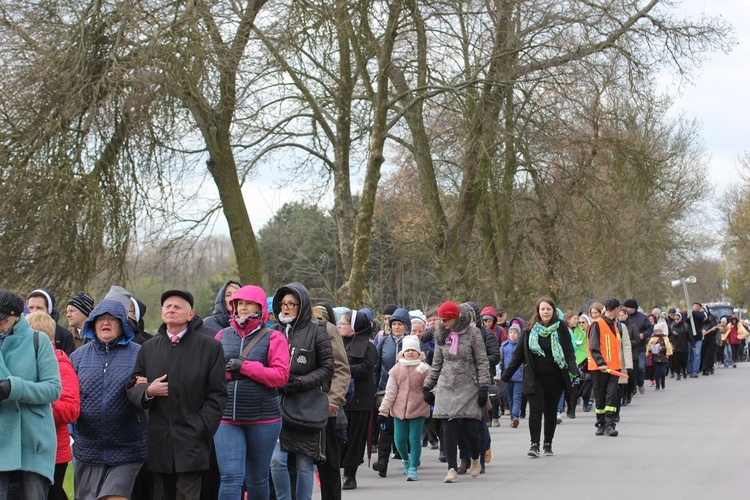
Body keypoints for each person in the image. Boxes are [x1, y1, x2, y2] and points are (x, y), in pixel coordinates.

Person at [127, 290, 228, 500]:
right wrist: (147, 391)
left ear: (190, 315)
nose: (171, 310)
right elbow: (133, 385)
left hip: (192, 440)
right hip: (159, 441)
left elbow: (217, 395)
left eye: (178, 307)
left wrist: (199, 428)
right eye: (167, 306)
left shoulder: (210, 347)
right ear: (162, 313)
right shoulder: (148, 348)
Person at [213, 285, 289, 500]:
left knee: (257, 478)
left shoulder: (274, 338)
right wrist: (230, 373)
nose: (243, 308)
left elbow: (281, 376)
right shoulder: (221, 335)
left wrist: (245, 368)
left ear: (260, 306)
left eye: (248, 303)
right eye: (239, 304)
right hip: (226, 418)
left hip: (264, 419)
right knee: (230, 477)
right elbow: (211, 374)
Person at [70, 299, 149, 500]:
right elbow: (69, 395)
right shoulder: (78, 357)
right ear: (92, 324)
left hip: (128, 448)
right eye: (101, 319)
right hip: (88, 448)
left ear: (122, 324)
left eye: (112, 319)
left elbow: (147, 390)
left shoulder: (139, 354)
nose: (106, 323)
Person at [269, 282, 334, 500]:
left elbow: (327, 368)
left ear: (302, 305)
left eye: (291, 304)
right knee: (276, 461)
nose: (285, 308)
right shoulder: (273, 331)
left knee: (304, 462)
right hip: (277, 406)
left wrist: (300, 382)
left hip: (306, 407)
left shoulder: (317, 332)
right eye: (282, 304)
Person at [0, 290, 62, 498]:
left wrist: (13, 388)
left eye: (3, 319)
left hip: (33, 439)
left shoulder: (39, 341)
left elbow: (53, 389)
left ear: (17, 316)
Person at [501, 296, 579, 456]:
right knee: (535, 411)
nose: (545, 312)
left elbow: (569, 351)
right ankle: (534, 444)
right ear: (538, 311)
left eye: (548, 309)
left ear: (553, 311)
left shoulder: (561, 327)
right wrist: (506, 375)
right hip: (535, 377)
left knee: (550, 412)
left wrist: (573, 370)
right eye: (542, 309)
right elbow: (518, 355)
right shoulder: (530, 330)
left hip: (555, 377)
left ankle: (548, 443)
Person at [423, 302, 491, 483]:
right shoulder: (441, 333)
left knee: (471, 430)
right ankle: (451, 469)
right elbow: (437, 363)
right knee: (448, 428)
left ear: (455, 317)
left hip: (469, 386)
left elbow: (482, 361)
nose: (442, 323)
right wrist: (427, 385)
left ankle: (475, 457)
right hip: (446, 386)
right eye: (441, 319)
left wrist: (484, 386)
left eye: (445, 319)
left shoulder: (473, 333)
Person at [25, 312, 80, 500]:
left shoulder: (62, 367)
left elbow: (71, 410)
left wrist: (39, 402)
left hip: (53, 452)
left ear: (49, 340)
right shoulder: (23, 365)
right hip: (27, 449)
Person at [310, 302, 350, 500]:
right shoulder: (281, 329)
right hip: (290, 405)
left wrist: (334, 399)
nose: (287, 308)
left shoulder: (326, 329)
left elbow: (341, 368)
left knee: (328, 462)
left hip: (322, 406)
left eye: (292, 303)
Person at [378, 335, 431, 481]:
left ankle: (413, 467)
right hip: (398, 410)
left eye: (414, 350)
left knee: (414, 438)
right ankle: (405, 460)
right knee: (399, 440)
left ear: (419, 352)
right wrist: (383, 411)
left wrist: (431, 397)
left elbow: (432, 386)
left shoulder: (424, 368)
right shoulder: (396, 369)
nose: (410, 353)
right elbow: (390, 392)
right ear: (403, 352)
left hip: (418, 408)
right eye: (408, 350)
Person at [339, 310, 377, 490]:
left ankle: (350, 475)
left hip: (359, 399)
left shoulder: (367, 346)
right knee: (338, 437)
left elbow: (366, 369)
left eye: (343, 323)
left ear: (353, 327)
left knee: (354, 438)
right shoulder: (338, 343)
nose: (339, 326)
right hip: (339, 397)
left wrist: (343, 369)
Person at [372, 307, 412, 477]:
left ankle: (410, 458)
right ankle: (382, 462)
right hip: (385, 391)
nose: (396, 327)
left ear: (406, 326)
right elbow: (376, 366)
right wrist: (375, 388)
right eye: (393, 324)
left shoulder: (412, 342)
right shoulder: (383, 342)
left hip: (408, 393)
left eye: (399, 324)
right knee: (385, 428)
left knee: (406, 429)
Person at [588, 299, 624, 437]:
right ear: (615, 309)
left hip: (614, 367)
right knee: (600, 395)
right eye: (619, 309)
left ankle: (610, 424)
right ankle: (601, 424)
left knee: (612, 394)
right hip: (600, 368)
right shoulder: (597, 324)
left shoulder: (615, 325)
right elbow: (593, 346)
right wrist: (600, 362)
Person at [26, 288, 76, 355]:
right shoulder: (19, 331)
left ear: (48, 310)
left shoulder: (64, 335)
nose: (34, 311)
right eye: (31, 308)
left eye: (39, 308)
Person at [623, 298, 652, 395]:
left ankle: (640, 383)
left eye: (629, 307)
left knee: (640, 367)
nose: (627, 309)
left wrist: (643, 335)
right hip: (627, 348)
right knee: (630, 369)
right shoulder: (623, 318)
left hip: (639, 347)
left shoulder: (643, 318)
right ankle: (632, 386)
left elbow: (650, 329)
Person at [500, 323, 523, 428]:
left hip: (519, 376)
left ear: (519, 334)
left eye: (515, 333)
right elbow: (502, 362)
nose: (513, 335)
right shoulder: (504, 346)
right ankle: (512, 418)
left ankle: (515, 417)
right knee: (509, 398)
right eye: (511, 332)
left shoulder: (521, 346)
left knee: (516, 397)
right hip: (507, 377)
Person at [646, 324, 672, 390]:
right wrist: (650, 350)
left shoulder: (665, 338)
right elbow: (648, 347)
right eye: (656, 331)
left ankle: (663, 382)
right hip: (655, 358)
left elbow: (668, 347)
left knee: (662, 372)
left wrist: (662, 348)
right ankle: (657, 385)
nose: (657, 333)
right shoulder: (652, 339)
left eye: (659, 331)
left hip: (663, 358)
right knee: (656, 372)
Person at [670, 313, 692, 379]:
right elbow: (669, 335)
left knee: (684, 360)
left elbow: (689, 335)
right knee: (676, 361)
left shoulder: (685, 325)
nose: (676, 320)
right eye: (675, 319)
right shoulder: (672, 326)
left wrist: (692, 343)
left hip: (683, 345)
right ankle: (678, 373)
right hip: (675, 345)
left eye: (678, 319)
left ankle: (684, 370)